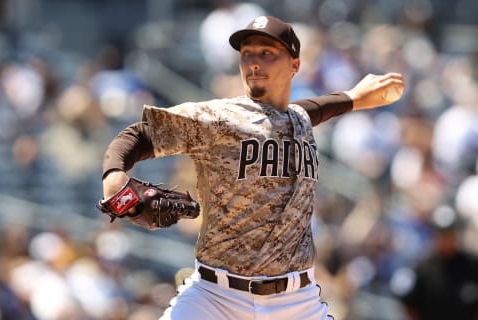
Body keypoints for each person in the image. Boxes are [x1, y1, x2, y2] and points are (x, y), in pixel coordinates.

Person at [101, 16, 404, 320]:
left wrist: (352, 98)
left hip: (298, 303)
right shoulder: (218, 119)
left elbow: (311, 110)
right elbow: (138, 135)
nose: (254, 63)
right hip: (215, 298)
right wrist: (114, 176)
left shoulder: (299, 119)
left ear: (295, 66)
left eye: (267, 54)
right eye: (247, 54)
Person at [399, 207, 478, 320]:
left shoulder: (472, 265)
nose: (445, 238)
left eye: (449, 233)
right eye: (441, 233)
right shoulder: (422, 267)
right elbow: (409, 305)